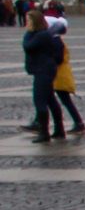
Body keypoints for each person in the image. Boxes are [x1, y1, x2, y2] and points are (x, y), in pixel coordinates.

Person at [21, 11, 64, 142]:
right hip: (45, 69)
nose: (26, 23)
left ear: (35, 22)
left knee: (39, 100)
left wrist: (27, 33)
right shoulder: (44, 34)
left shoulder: (40, 35)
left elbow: (27, 46)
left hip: (43, 70)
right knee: (50, 99)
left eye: (28, 20)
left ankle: (44, 132)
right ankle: (59, 129)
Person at [48, 26, 85, 135]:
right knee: (60, 100)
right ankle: (78, 123)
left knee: (60, 100)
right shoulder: (57, 40)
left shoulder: (56, 41)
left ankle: (78, 123)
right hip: (60, 75)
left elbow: (58, 59)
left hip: (59, 75)